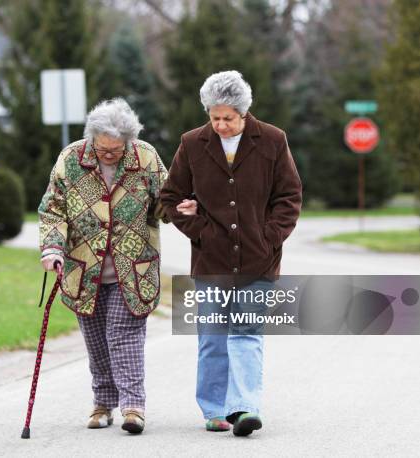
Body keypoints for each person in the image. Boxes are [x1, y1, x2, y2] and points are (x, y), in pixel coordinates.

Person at [160, 70, 302, 436]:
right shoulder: (192, 144)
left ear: (243, 113)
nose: (220, 124)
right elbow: (170, 197)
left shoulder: (272, 140)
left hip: (259, 259)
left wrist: (270, 237)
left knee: (247, 332)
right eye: (214, 117)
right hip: (211, 262)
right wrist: (199, 231)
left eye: (228, 118)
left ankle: (244, 408)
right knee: (212, 336)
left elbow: (289, 197)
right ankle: (214, 409)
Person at [38, 98, 168, 434]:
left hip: (133, 270)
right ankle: (102, 402)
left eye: (115, 149)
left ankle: (133, 406)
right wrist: (52, 248)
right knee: (95, 340)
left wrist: (181, 207)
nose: (108, 154)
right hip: (83, 271)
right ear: (91, 138)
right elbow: (53, 209)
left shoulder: (145, 158)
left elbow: (163, 205)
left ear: (128, 141)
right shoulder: (71, 159)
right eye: (102, 148)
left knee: (123, 336)